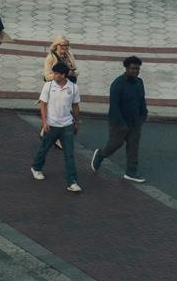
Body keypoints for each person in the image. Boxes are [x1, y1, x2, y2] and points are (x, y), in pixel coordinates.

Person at [91, 56, 148, 183]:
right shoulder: (118, 84)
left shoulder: (139, 82)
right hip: (119, 122)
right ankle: (101, 154)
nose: (136, 71)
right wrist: (121, 124)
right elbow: (114, 106)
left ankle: (131, 172)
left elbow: (141, 99)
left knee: (133, 146)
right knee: (115, 144)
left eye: (138, 69)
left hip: (135, 121)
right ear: (126, 68)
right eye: (133, 68)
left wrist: (144, 113)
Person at [28, 63, 82, 191]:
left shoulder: (73, 88)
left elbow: (75, 106)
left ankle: (72, 182)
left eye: (56, 74)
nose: (54, 76)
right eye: (54, 73)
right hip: (51, 125)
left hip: (67, 125)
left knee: (69, 154)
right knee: (44, 149)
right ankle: (36, 167)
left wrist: (76, 122)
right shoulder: (48, 85)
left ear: (63, 75)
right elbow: (43, 105)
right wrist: (45, 122)